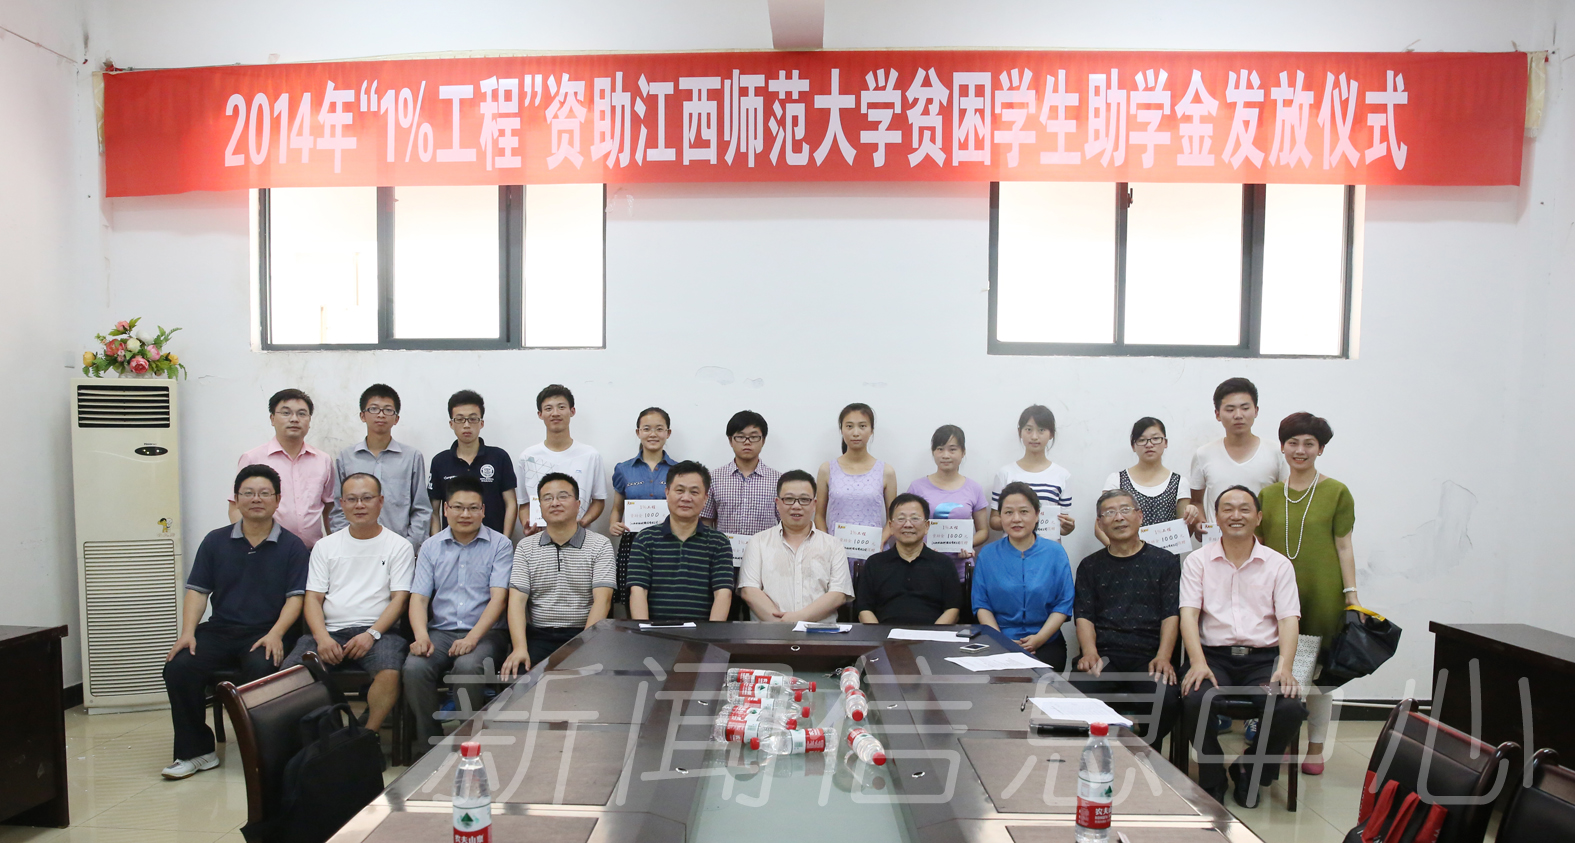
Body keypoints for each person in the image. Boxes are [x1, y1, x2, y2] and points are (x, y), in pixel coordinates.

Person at [161, 465, 308, 780]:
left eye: (264, 493)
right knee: (180, 666)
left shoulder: (293, 546)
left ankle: (264, 751)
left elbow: (295, 599)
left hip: (268, 631)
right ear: (237, 499)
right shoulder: (215, 541)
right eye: (248, 493)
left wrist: (276, 634)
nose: (256, 499)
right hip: (221, 629)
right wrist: (187, 633)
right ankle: (196, 752)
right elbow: (198, 591)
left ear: (277, 499)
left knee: (261, 669)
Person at [1177, 485, 1305, 809]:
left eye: (1245, 509)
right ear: (1216, 517)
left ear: (1258, 517)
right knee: (1194, 698)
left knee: (1289, 707)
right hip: (1213, 657)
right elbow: (1188, 615)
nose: (1236, 515)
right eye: (1228, 509)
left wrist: (1285, 667)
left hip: (1262, 661)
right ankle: (1212, 777)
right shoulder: (1197, 561)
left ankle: (1250, 768)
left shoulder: (1278, 565)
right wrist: (1197, 662)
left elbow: (1289, 619)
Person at [1257, 412, 1357, 776]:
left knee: (1317, 678)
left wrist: (1351, 596)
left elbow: (1344, 546)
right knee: (1284, 671)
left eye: (1309, 444)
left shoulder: (1337, 492)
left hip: (1322, 595)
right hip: (1276, 598)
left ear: (1321, 449)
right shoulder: (1268, 495)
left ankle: (1315, 748)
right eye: (1293, 443)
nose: (1300, 450)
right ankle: (1287, 739)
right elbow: (1259, 548)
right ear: (1283, 448)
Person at [281, 473, 414, 733]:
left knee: (389, 672)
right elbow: (313, 598)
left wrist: (371, 634)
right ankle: (323, 737)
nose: (359, 505)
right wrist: (322, 638)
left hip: (379, 632)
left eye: (367, 498)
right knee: (290, 676)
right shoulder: (325, 546)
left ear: (380, 501)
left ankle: (366, 736)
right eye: (351, 499)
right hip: (330, 631)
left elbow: (400, 599)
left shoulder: (399, 546)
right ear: (341, 504)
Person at [403, 476, 513, 748]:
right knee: (414, 668)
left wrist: (472, 639)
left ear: (483, 510)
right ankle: (430, 745)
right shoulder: (431, 546)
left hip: (486, 633)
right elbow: (419, 599)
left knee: (468, 666)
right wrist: (421, 636)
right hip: (441, 631)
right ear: (446, 509)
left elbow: (499, 599)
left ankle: (469, 743)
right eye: (458, 507)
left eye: (473, 508)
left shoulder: (500, 544)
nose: (466, 514)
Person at [1071, 489, 1182, 748]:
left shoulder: (1165, 561)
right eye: (1109, 513)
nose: (1118, 518)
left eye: (1125, 510)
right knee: (1079, 693)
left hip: (1149, 656)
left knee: (1167, 700)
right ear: (1100, 523)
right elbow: (1084, 615)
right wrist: (1089, 652)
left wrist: (1164, 656)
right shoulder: (1090, 565)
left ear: (1139, 516)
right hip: (1105, 655)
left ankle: (1146, 749)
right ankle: (1101, 751)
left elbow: (1171, 614)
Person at [501, 473, 616, 677]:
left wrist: (585, 646)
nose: (555, 503)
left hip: (586, 634)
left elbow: (603, 600)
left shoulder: (600, 545)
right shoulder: (526, 547)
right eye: (547, 498)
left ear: (578, 504)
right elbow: (516, 602)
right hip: (540, 636)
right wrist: (519, 648)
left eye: (563, 496)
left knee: (591, 681)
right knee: (518, 675)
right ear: (540, 507)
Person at [971, 482, 1075, 670]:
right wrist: (1000, 640)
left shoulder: (1055, 553)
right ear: (1000, 517)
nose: (1016, 519)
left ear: (1037, 515)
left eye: (1024, 512)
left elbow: (1064, 602)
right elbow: (981, 603)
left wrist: (1040, 638)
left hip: (1046, 641)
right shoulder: (987, 554)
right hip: (999, 640)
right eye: (1008, 512)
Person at [738, 470, 854, 623]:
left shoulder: (833, 545)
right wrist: (781, 625)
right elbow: (749, 591)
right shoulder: (758, 542)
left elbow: (838, 594)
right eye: (789, 499)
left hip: (819, 634)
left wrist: (799, 619)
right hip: (769, 633)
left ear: (814, 504)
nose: (796, 506)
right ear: (777, 503)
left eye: (804, 500)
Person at [626, 461, 735, 622]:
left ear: (705, 498)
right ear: (667, 492)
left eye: (694, 492)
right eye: (680, 490)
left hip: (703, 633)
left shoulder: (719, 542)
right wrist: (645, 631)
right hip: (655, 632)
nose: (686, 498)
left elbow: (723, 594)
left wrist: (711, 634)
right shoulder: (645, 539)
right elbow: (638, 591)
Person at [230, 388, 335, 548]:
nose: (294, 419)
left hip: (312, 552)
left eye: (302, 414)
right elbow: (236, 507)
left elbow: (330, 509)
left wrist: (333, 547)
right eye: (286, 413)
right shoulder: (253, 458)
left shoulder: (323, 460)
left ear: (309, 420)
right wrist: (248, 546)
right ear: (272, 419)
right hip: (267, 552)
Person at [332, 384, 431, 552]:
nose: (381, 415)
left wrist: (408, 546)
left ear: (396, 418)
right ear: (362, 415)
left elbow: (421, 508)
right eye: (374, 409)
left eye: (388, 410)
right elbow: (338, 508)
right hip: (354, 549)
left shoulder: (412, 457)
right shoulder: (346, 457)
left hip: (399, 549)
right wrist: (347, 545)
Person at [1189, 378, 1286, 535]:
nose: (1238, 415)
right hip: (1218, 542)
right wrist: (1200, 522)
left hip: (1262, 542)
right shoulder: (1204, 454)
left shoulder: (1277, 452)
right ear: (1217, 414)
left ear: (1256, 411)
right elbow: (1196, 501)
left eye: (1245, 408)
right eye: (1230, 409)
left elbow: (1285, 501)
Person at [853, 494, 964, 625]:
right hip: (884, 634)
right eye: (901, 519)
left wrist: (933, 634)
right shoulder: (875, 563)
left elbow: (953, 609)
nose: (908, 524)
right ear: (891, 526)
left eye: (915, 518)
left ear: (927, 526)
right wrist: (878, 634)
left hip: (932, 634)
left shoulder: (943, 563)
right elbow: (864, 609)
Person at [1096, 417, 1204, 546]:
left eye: (1155, 438)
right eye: (1142, 440)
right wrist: (1121, 552)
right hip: (1124, 556)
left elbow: (1184, 531)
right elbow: (1100, 527)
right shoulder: (1116, 480)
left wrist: (1191, 515)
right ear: (1133, 446)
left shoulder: (1179, 482)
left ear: (1165, 443)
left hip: (1167, 556)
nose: (1149, 444)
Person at [517, 384, 606, 536]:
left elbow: (599, 501)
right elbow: (524, 503)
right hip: (541, 537)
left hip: (580, 538)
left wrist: (581, 523)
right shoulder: (527, 457)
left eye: (561, 407)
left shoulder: (591, 455)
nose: (555, 413)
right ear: (540, 414)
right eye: (548, 408)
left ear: (572, 411)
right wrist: (529, 525)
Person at [609, 407, 677, 605]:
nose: (653, 434)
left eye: (659, 429)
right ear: (638, 432)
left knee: (665, 595)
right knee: (632, 596)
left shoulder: (679, 470)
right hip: (633, 541)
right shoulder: (623, 469)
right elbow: (617, 508)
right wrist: (613, 524)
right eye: (646, 429)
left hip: (670, 541)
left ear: (668, 433)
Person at [816, 403, 897, 566]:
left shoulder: (886, 471)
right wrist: (828, 544)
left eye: (862, 426)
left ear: (871, 430)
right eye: (849, 426)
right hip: (835, 555)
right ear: (841, 430)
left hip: (874, 554)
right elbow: (819, 516)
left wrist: (880, 541)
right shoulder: (827, 469)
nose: (855, 433)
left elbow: (893, 518)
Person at [429, 390, 518, 537]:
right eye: (460, 419)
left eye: (472, 419)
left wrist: (505, 541)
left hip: (493, 544)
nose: (466, 425)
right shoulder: (440, 461)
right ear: (451, 424)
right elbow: (434, 510)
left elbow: (511, 504)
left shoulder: (499, 457)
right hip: (451, 545)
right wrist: (436, 544)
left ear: (481, 423)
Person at [906, 425, 990, 580]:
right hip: (923, 567)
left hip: (961, 570)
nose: (945, 455)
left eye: (952, 449)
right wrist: (921, 547)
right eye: (940, 449)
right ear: (933, 452)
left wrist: (967, 544)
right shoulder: (917, 487)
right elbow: (908, 526)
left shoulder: (974, 488)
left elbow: (983, 531)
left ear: (963, 452)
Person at [989, 405, 1074, 541]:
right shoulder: (1005, 473)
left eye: (1041, 430)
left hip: (1048, 549)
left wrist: (1068, 527)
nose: (1034, 436)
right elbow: (994, 520)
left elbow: (1062, 526)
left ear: (1051, 434)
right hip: (1013, 548)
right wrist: (1018, 520)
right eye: (1028, 429)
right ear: (1020, 432)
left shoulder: (1062, 475)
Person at [701, 410, 782, 537]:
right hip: (724, 548)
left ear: (763, 440)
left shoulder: (779, 480)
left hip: (765, 549)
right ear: (730, 440)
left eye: (754, 437)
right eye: (740, 437)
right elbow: (706, 520)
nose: (747, 442)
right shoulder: (713, 478)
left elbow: (785, 522)